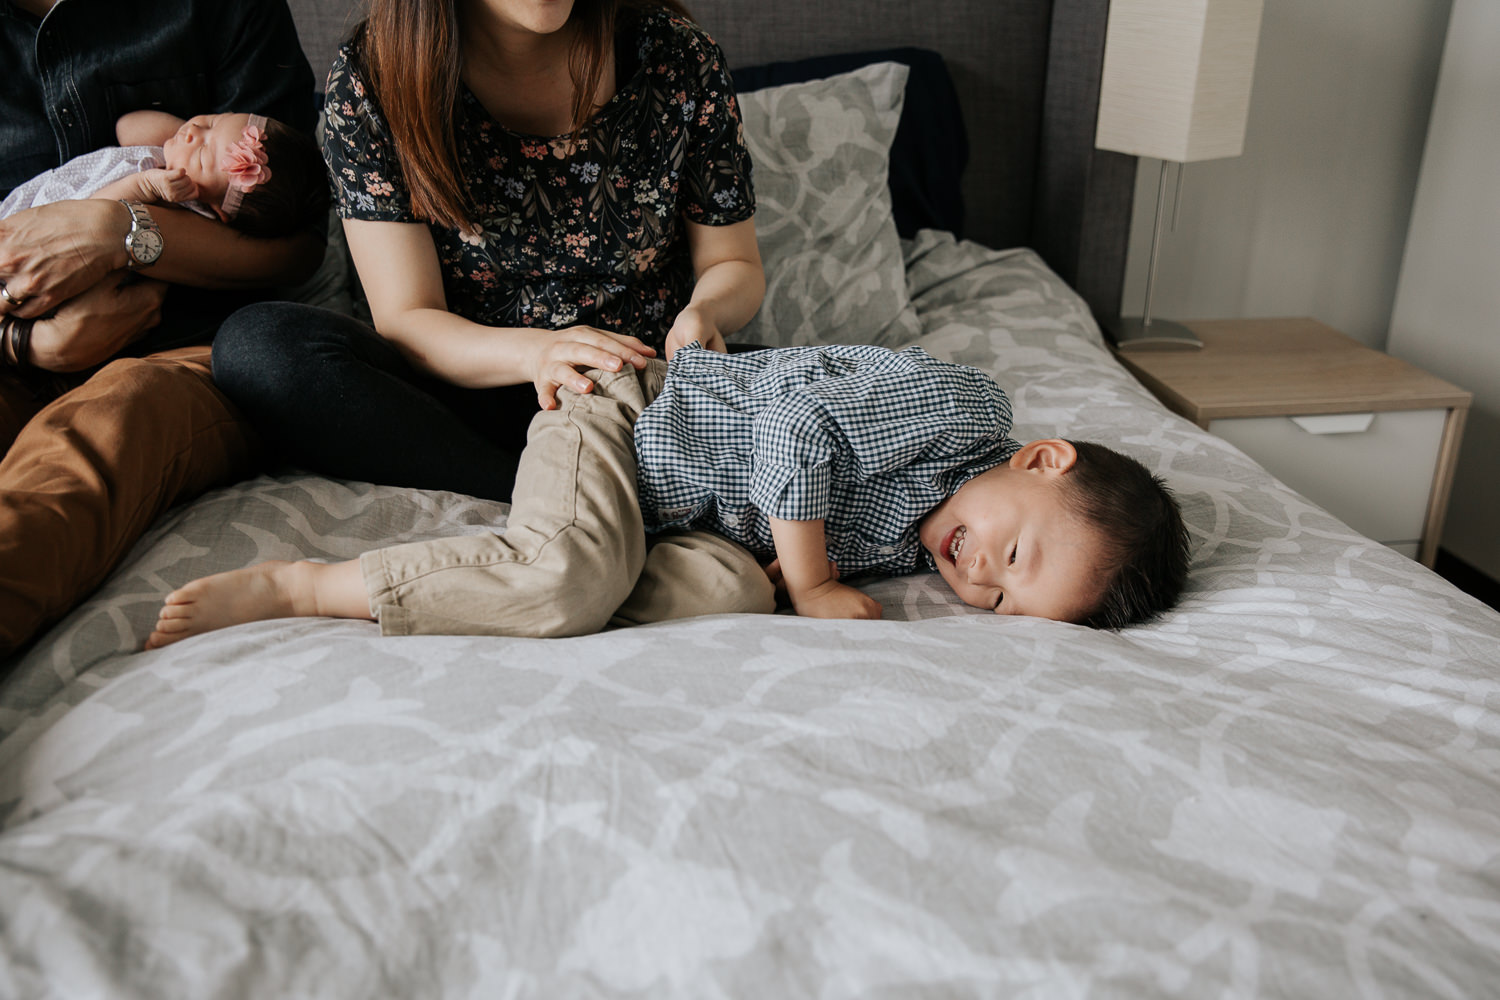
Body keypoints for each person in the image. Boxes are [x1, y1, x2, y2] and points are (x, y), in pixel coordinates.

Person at [145, 343, 1192, 648]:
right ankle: (305, 585)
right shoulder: (961, 412)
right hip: (628, 420)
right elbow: (794, 426)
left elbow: (766, 565)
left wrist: (788, 581)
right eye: (1016, 555)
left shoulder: (926, 543)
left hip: (683, 521)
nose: (980, 575)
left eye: (1005, 603)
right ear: (1043, 459)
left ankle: (547, 583)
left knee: (729, 599)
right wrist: (816, 580)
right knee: (568, 574)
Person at [208, 0, 762, 505]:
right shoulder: (373, 79)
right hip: (478, 399)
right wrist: (536, 355)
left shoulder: (677, 53)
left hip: (645, 389)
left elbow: (731, 263)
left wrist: (705, 312)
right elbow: (408, 317)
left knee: (830, 406)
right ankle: (567, 500)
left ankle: (617, 496)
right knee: (258, 348)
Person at [0, 0, 321, 657]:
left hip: (182, 352)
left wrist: (119, 233)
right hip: (11, 342)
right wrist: (25, 344)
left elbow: (296, 243)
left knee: (94, 437)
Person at [2, 110, 329, 239]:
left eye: (203, 152)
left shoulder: (178, 206)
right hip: (25, 205)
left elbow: (87, 218)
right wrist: (181, 135)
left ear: (217, 210)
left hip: (40, 232)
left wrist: (144, 185)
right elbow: (125, 127)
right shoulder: (169, 158)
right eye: (214, 120)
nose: (195, 131)